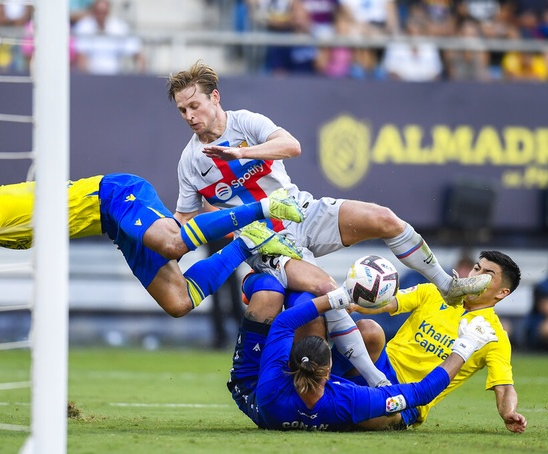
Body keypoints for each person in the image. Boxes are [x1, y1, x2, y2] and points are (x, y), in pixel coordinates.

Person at [166, 60, 491, 388]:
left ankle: (447, 287)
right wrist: (162, 253)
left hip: (302, 211)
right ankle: (377, 382)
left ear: (215, 98)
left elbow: (292, 146)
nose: (190, 116)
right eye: (182, 110)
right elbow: (182, 219)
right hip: (266, 242)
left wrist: (239, 154)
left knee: (384, 218)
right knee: (329, 291)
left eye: (194, 105)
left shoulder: (246, 122)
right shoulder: (191, 162)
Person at [0, 164, 305, 344]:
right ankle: (251, 240)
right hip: (114, 225)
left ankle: (263, 209)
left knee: (173, 241)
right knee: (178, 302)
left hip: (115, 193)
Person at [228, 281, 499, 431]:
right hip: (322, 407)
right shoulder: (350, 401)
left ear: (291, 363)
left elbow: (284, 323)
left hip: (250, 393)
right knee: (289, 292)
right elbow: (422, 394)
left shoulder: (273, 384)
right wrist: (466, 347)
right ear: (329, 369)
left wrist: (336, 297)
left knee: (270, 290)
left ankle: (263, 271)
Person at [332, 250, 528, 433]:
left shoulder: (494, 336)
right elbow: (389, 301)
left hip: (412, 398)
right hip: (379, 367)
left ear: (502, 292)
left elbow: (504, 387)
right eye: (477, 268)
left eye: (488, 274)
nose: (476, 275)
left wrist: (508, 412)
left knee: (366, 416)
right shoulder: (435, 292)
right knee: (369, 330)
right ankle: (319, 380)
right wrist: (355, 305)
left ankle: (331, 409)